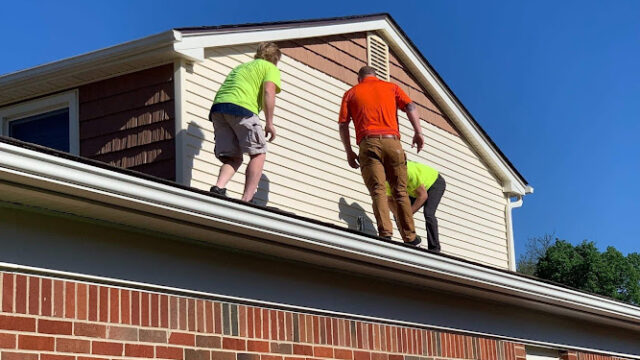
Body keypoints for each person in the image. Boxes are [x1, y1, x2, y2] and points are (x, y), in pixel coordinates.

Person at [338, 66, 425, 246]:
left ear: (359, 78)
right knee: (400, 190)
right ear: (375, 76)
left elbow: (343, 124)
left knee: (378, 190)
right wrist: (418, 132)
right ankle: (409, 237)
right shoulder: (391, 87)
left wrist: (348, 151)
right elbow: (410, 106)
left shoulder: (351, 93)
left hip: (367, 143)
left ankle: (385, 233)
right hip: (392, 142)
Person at [208, 42, 282, 203]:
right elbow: (269, 91)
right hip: (242, 109)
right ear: (275, 58)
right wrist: (269, 122)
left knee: (234, 157)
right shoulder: (270, 68)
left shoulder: (242, 67)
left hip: (219, 109)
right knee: (258, 153)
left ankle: (218, 188)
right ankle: (247, 199)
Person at [386, 161, 446, 252]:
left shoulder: (409, 173)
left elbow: (423, 196)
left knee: (428, 213)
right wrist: (399, 216)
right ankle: (412, 241)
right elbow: (389, 200)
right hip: (415, 191)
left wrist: (408, 214)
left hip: (434, 183)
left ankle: (434, 248)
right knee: (399, 213)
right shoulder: (387, 180)